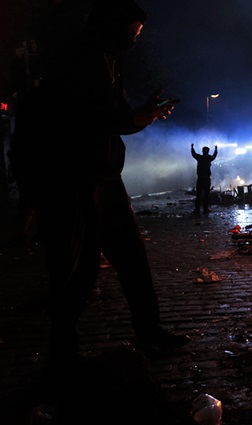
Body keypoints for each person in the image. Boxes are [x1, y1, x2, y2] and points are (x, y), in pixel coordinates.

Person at [11, 0, 189, 365]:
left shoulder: (110, 62)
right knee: (77, 268)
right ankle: (63, 351)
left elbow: (119, 119)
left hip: (105, 177)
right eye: (132, 33)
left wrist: (146, 114)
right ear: (111, 26)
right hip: (73, 180)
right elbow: (76, 124)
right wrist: (132, 117)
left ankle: (149, 330)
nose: (134, 41)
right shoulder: (77, 61)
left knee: (132, 258)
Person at [191, 144, 218, 215]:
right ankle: (205, 209)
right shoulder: (208, 158)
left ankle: (197, 209)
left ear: (203, 151)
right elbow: (214, 156)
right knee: (206, 194)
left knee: (199, 194)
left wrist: (192, 148)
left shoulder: (200, 157)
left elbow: (194, 154)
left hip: (200, 178)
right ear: (208, 151)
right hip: (206, 179)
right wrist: (215, 150)